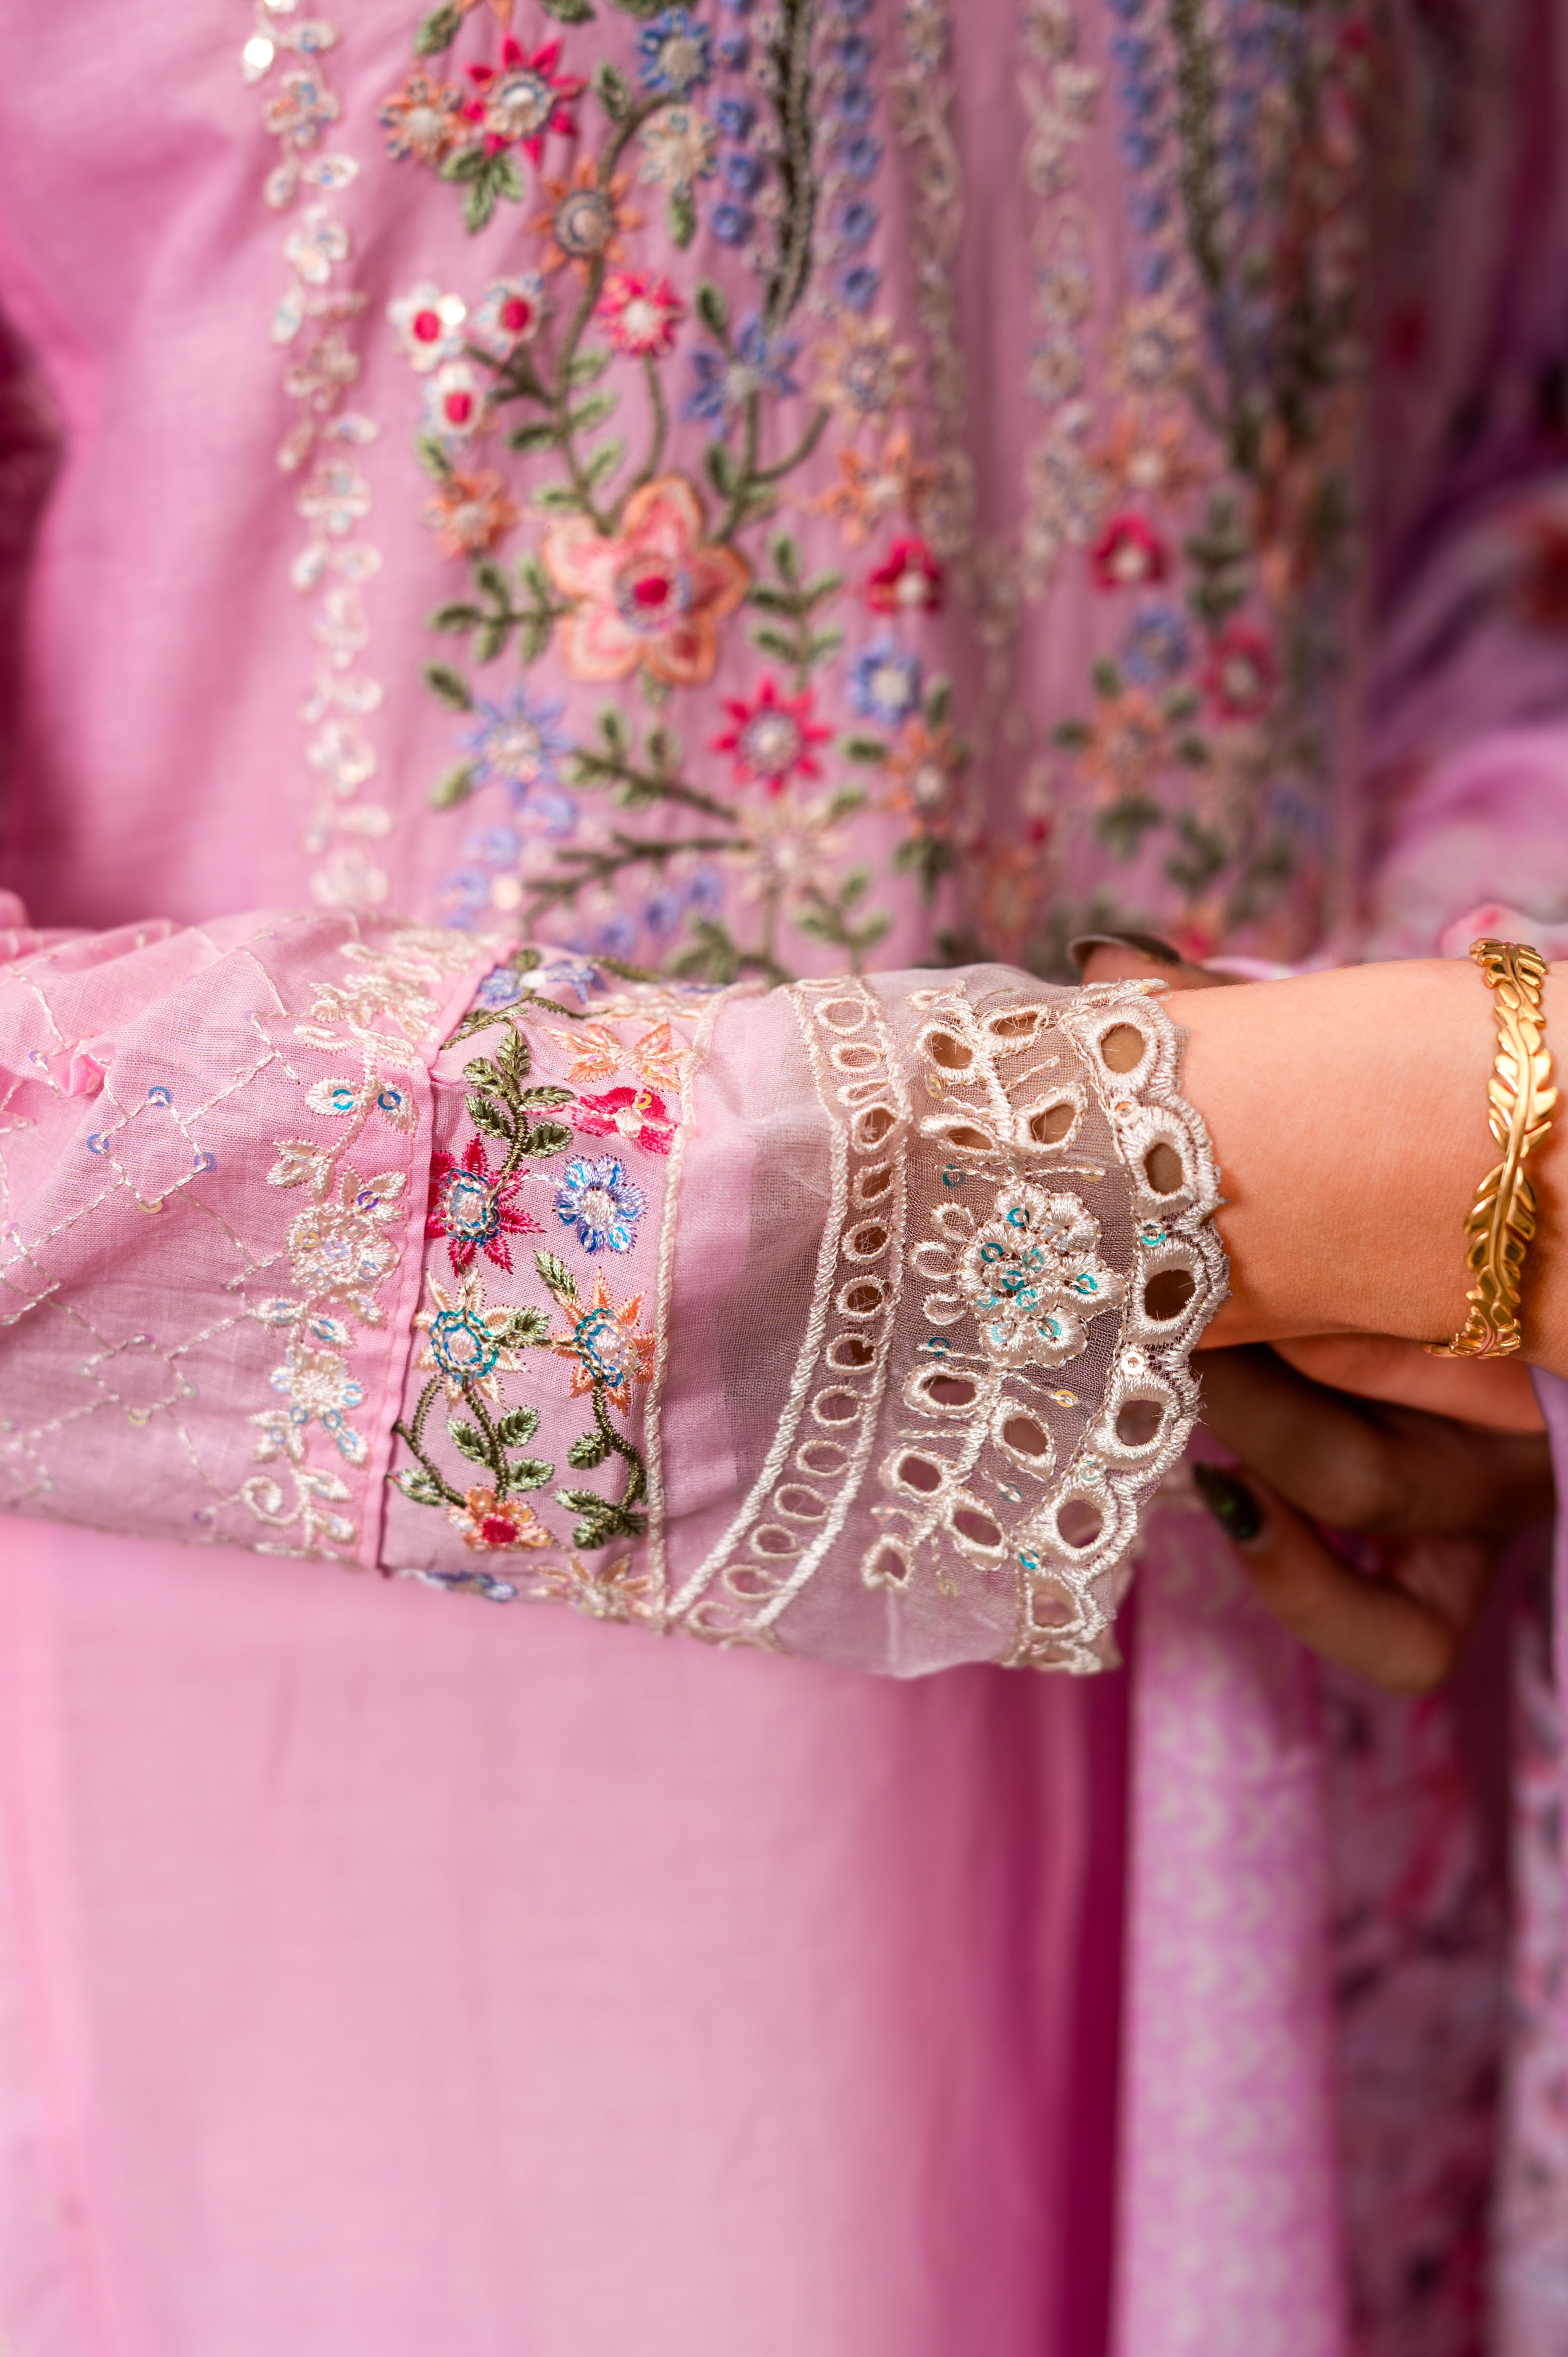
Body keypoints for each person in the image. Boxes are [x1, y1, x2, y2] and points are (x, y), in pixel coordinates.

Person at [0, 1, 1565, 2349]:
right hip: (402, 1852)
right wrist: (1158, 1178)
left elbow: (1495, 498)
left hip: (1295, 1673)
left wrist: (1471, 1082)